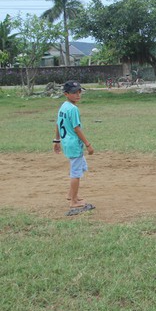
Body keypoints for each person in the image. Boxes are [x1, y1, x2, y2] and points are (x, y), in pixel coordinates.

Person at [53, 80, 95, 216]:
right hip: (73, 144)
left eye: (79, 92)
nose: (78, 95)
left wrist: (56, 140)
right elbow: (77, 129)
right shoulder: (73, 109)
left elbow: (58, 124)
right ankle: (73, 202)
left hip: (67, 142)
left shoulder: (64, 106)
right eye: (74, 93)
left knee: (80, 166)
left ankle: (72, 195)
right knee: (76, 173)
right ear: (66, 94)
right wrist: (88, 144)